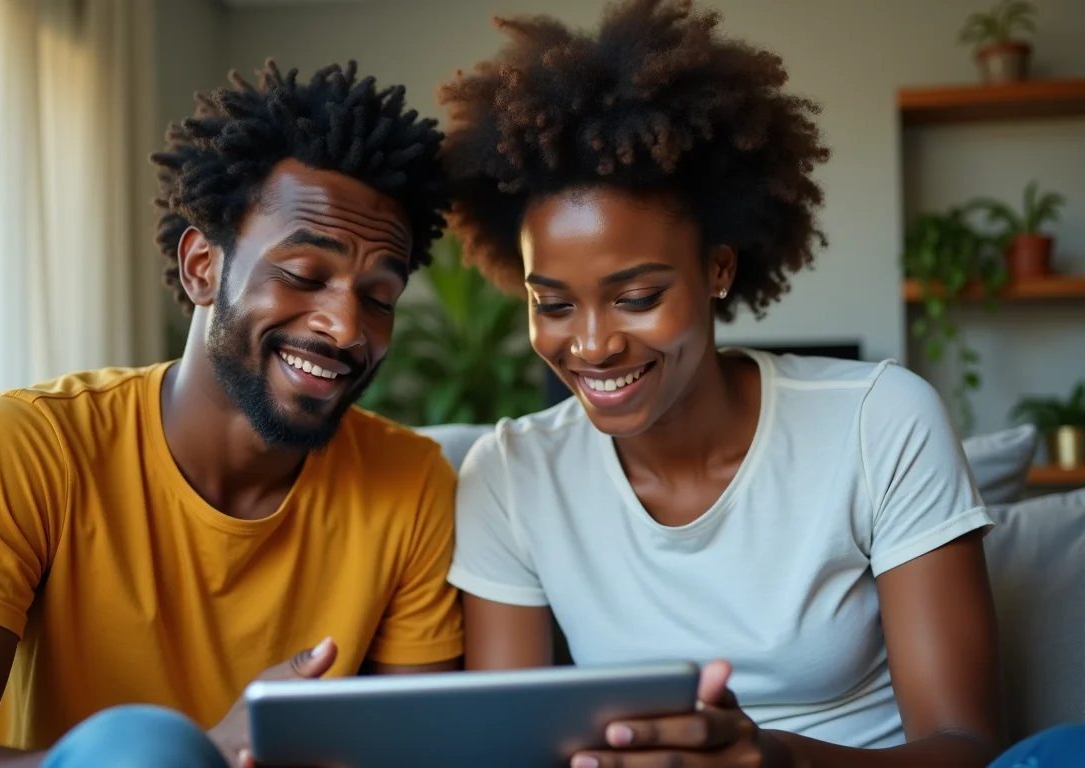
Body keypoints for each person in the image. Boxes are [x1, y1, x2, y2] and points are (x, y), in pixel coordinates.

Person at [438, 1, 1084, 766]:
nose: (591, 344)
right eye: (552, 304)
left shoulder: (878, 420)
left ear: (718, 268)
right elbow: (509, 752)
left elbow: (967, 746)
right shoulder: (511, 477)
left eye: (638, 297)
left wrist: (777, 761)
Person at [0, 60, 463, 768]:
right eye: (304, 275)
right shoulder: (30, 445)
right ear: (202, 267)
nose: (347, 327)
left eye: (378, 296)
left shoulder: (413, 483)